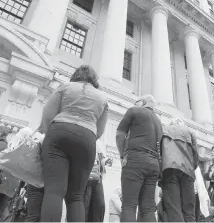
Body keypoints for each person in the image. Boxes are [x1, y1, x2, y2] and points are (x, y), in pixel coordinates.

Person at [38, 65, 109, 222]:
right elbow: (100, 130)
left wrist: (51, 135)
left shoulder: (65, 87)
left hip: (59, 131)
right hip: (87, 137)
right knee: (76, 195)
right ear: (94, 79)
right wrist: (87, 137)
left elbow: (48, 115)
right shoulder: (102, 98)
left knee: (54, 191)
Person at [116, 94, 163, 222]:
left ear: (142, 102)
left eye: (136, 101)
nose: (134, 103)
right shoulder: (159, 122)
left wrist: (122, 155)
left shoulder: (134, 111)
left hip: (135, 159)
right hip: (154, 164)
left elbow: (120, 134)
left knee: (129, 205)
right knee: (148, 208)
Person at [160, 118, 198, 222]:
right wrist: (192, 167)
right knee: (189, 209)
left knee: (174, 209)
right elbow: (196, 155)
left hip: (169, 169)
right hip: (188, 171)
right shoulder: (190, 132)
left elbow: (159, 152)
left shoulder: (164, 129)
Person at [83, 144, 112, 222]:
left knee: (99, 205)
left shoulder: (98, 144)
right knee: (84, 205)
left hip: (96, 176)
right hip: (83, 175)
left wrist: (106, 161)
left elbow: (100, 158)